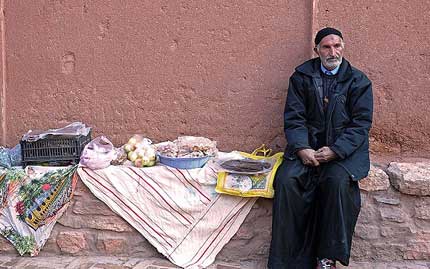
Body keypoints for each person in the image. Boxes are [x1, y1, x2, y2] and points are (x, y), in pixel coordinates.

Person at [267, 27, 373, 269]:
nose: (332, 51)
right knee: (286, 180)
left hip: (343, 153)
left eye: (337, 46)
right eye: (326, 46)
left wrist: (335, 150)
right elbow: (294, 118)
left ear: (343, 48)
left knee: (336, 184)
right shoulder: (301, 77)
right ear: (317, 50)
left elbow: (361, 124)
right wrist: (302, 148)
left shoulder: (359, 81)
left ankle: (326, 258)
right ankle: (287, 259)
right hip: (307, 150)